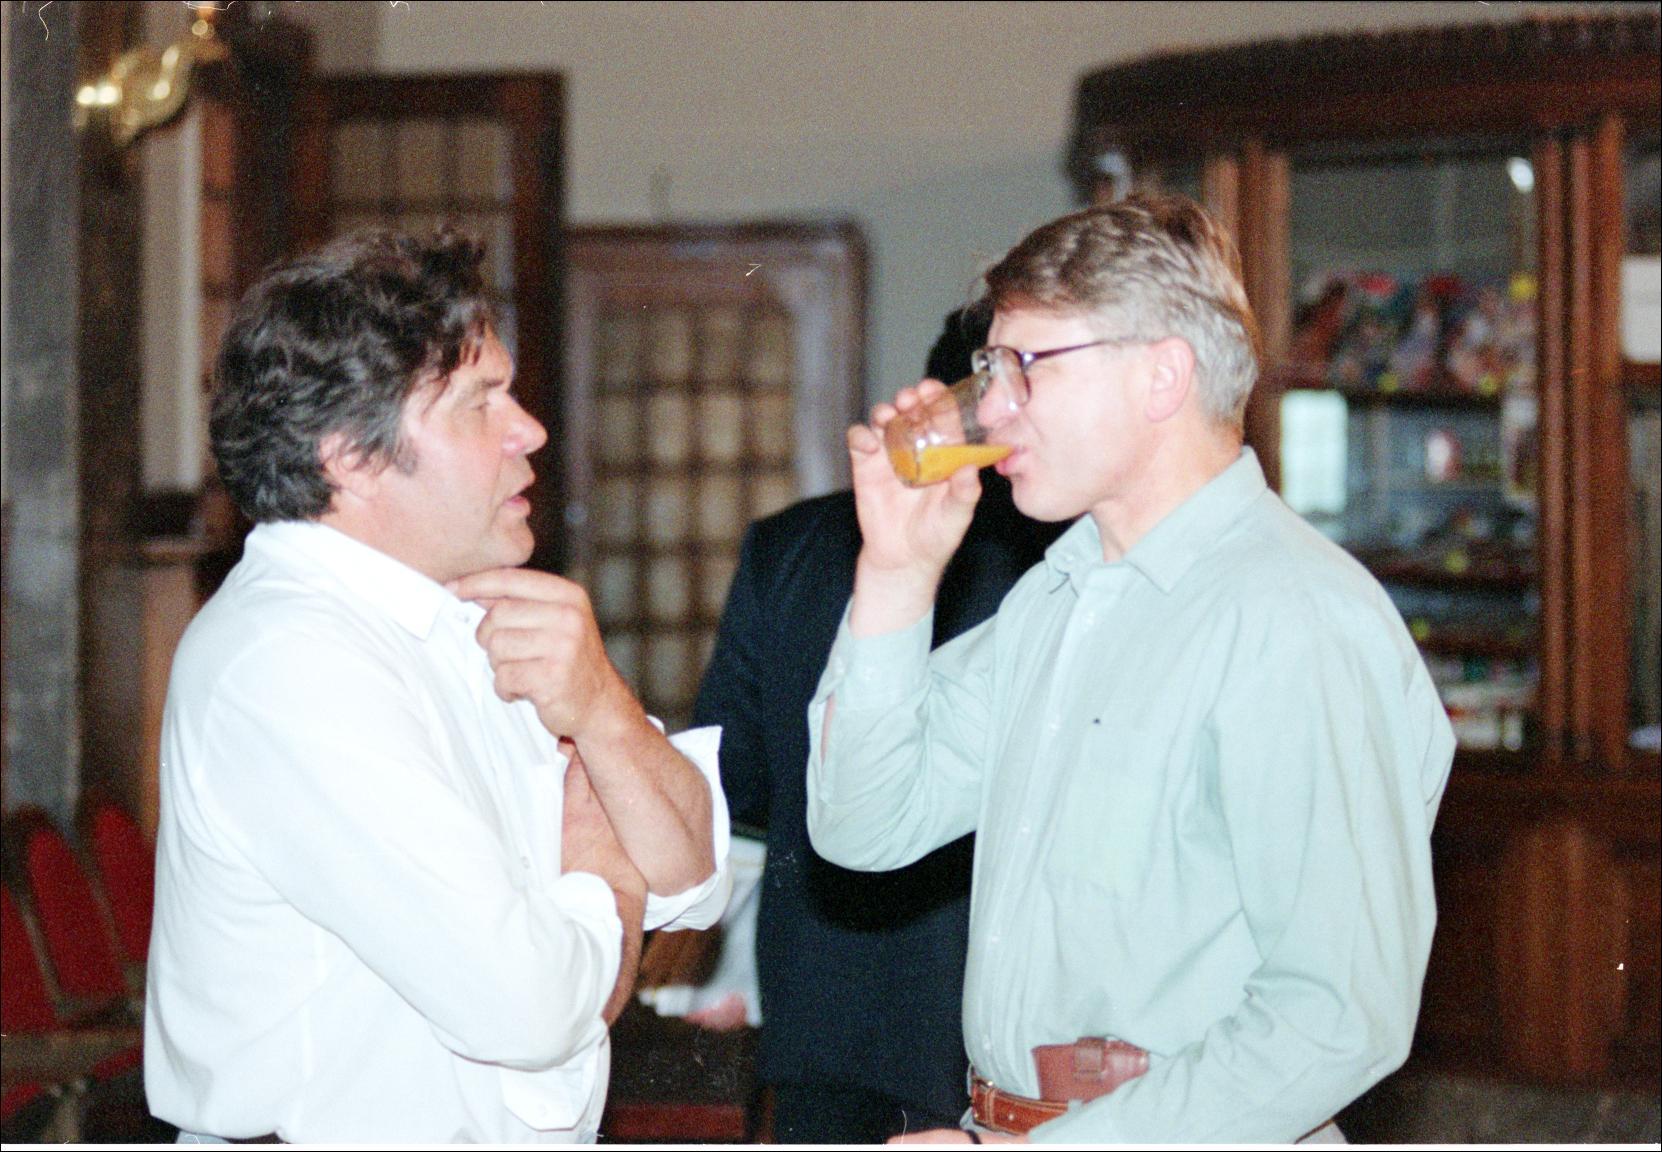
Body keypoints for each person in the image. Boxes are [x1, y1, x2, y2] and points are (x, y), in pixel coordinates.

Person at [806, 193, 1454, 1144]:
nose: (991, 408)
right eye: (990, 370)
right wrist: (897, 576)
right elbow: (866, 825)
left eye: (1026, 368)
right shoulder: (1059, 598)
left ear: (1162, 377)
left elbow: (1337, 1018)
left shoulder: (1294, 617)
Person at [144, 228, 730, 1144]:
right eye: (478, 401)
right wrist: (603, 868)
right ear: (351, 456)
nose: (528, 429)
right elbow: (530, 1007)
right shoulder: (289, 660)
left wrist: (605, 714)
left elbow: (695, 878)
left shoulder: (458, 607)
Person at [693, 309, 1062, 1143]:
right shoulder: (1059, 563)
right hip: (988, 1044)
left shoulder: (789, 544)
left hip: (821, 1006)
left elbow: (730, 778)